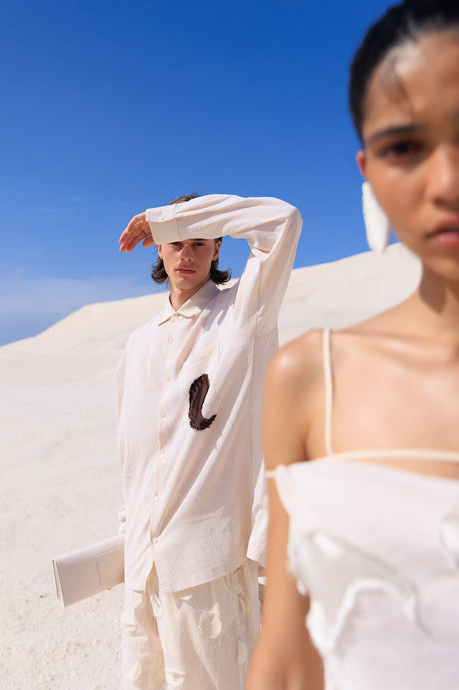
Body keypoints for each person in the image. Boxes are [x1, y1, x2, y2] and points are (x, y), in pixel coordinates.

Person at [246, 1, 459, 688]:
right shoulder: (312, 378)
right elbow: (285, 658)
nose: (447, 183)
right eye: (405, 147)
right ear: (367, 169)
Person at [116, 192, 302, 689]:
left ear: (218, 248)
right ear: (159, 251)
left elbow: (282, 221)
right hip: (143, 569)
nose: (186, 254)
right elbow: (134, 458)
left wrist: (167, 218)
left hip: (208, 569)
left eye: (199, 242)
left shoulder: (243, 317)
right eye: (174, 243)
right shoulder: (139, 344)